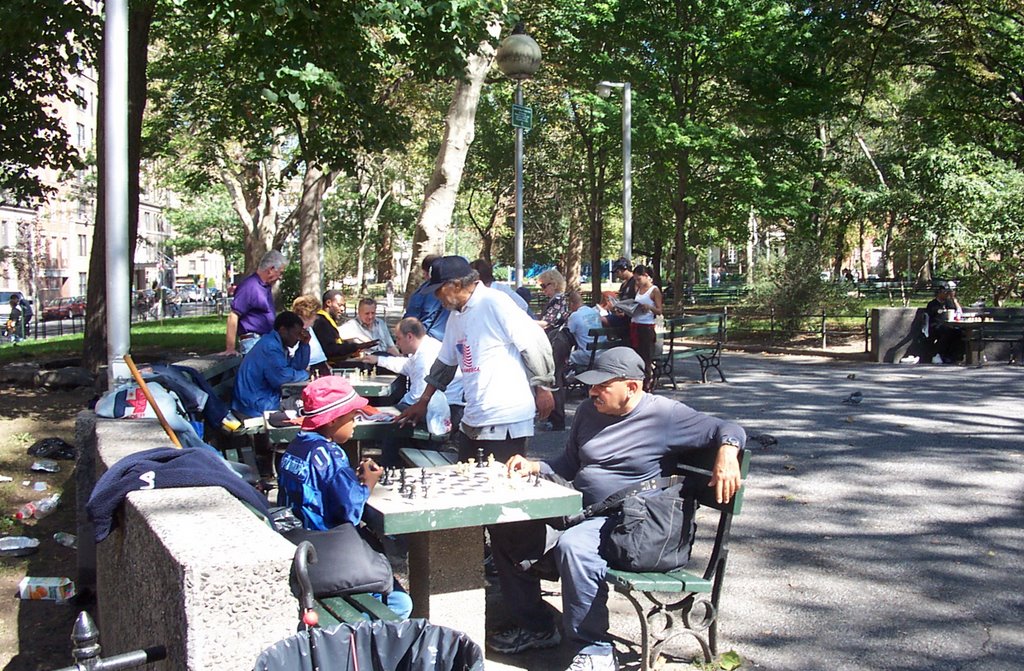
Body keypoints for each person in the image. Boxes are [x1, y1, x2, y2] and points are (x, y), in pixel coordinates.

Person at [486, 347, 745, 671]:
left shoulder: (664, 415)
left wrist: (727, 453)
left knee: (574, 546)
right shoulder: (587, 412)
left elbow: (727, 428)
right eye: (591, 384)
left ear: (632, 387)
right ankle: (537, 627)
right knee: (507, 526)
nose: (592, 391)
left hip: (626, 521)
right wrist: (535, 466)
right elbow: (568, 463)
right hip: (580, 510)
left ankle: (595, 650)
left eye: (601, 386)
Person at [276, 376, 413, 619]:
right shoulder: (330, 455)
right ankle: (359, 643)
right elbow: (350, 511)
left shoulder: (297, 446)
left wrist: (351, 479)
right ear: (333, 420)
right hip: (326, 555)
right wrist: (368, 484)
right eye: (352, 417)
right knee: (401, 603)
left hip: (299, 545)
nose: (355, 423)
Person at [396, 256, 556, 464]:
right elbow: (445, 363)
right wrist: (423, 401)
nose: (436, 297)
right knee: (468, 482)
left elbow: (534, 342)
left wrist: (543, 387)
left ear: (455, 285)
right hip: (473, 415)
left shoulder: (494, 302)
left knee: (499, 487)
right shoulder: (455, 316)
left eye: (438, 290)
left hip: (506, 417)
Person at [363, 317, 465, 462]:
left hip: (444, 410)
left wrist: (394, 407)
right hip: (440, 406)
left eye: (398, 339)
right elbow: (406, 366)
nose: (396, 343)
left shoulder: (425, 358)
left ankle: (388, 467)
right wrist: (379, 360)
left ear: (409, 336)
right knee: (394, 416)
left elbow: (418, 397)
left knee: (393, 422)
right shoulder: (427, 346)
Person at [231, 311, 310, 478]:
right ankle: (288, 467)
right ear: (282, 330)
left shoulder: (278, 344)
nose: (297, 338)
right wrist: (304, 375)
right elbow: (281, 379)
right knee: (302, 415)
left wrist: (304, 344)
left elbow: (295, 367)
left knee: (301, 410)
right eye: (296, 334)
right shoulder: (270, 347)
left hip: (262, 399)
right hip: (254, 404)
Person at [225, 250, 288, 355]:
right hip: (253, 342)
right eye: (280, 272)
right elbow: (233, 316)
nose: (280, 277)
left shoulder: (264, 287)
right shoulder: (250, 286)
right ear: (271, 269)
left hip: (264, 341)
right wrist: (230, 348)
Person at [536, 268, 572, 432]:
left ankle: (557, 419)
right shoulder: (558, 300)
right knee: (554, 377)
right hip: (556, 340)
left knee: (553, 378)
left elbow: (547, 322)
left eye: (544, 286)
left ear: (554, 284)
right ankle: (554, 417)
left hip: (556, 341)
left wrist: (523, 322)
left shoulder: (558, 300)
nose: (543, 290)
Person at [630, 265, 663, 391]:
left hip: (646, 326)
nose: (637, 282)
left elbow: (659, 310)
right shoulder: (638, 288)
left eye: (639, 279)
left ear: (646, 276)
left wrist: (649, 307)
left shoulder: (654, 290)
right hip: (635, 323)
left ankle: (647, 382)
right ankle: (638, 380)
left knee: (646, 356)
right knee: (636, 355)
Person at [312, 289, 364, 366]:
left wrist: (351, 353)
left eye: (344, 305)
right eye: (339, 305)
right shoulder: (320, 322)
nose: (342, 309)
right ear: (328, 303)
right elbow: (329, 350)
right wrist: (355, 347)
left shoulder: (328, 320)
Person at [404, 253, 450, 341]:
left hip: (427, 340)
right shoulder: (451, 288)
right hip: (448, 340)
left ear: (426, 272)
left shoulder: (422, 293)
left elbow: (410, 321)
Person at [290, 295, 331, 378]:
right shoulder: (295, 330)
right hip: (309, 369)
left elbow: (317, 351)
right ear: (309, 314)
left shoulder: (309, 328)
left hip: (319, 366)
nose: (316, 317)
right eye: (315, 314)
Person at [925, 282, 964, 364]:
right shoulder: (932, 304)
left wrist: (954, 299)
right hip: (936, 326)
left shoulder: (948, 303)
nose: (947, 294)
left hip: (949, 325)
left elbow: (959, 312)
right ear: (940, 292)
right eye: (945, 292)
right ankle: (937, 354)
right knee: (945, 332)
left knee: (959, 332)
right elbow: (929, 317)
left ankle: (955, 356)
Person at [566, 291, 603, 368]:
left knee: (562, 356)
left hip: (588, 355)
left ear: (571, 303)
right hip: (601, 352)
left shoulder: (575, 315)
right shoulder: (595, 312)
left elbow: (568, 334)